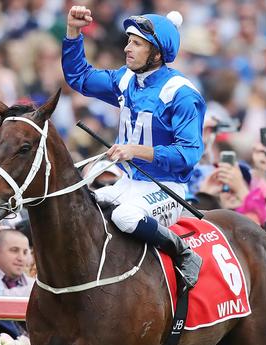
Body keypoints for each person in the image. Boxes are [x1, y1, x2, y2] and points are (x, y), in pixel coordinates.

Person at [62, 6, 205, 288]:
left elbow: (188, 155)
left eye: (137, 44)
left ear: (157, 53)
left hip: (166, 189)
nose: (127, 48)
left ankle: (184, 253)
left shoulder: (182, 94)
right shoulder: (125, 79)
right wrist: (73, 33)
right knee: (83, 207)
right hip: (130, 182)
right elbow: (78, 77)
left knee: (124, 216)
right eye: (128, 41)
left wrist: (135, 150)